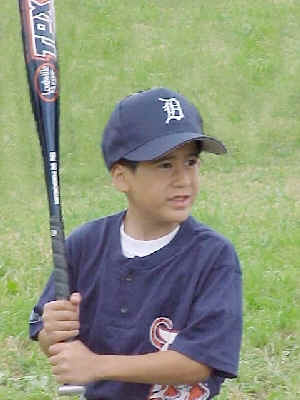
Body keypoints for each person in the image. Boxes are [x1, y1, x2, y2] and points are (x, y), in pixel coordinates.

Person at [29, 87, 243, 400]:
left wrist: (98, 366)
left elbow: (200, 361)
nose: (183, 179)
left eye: (192, 162)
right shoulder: (85, 246)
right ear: (121, 177)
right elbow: (51, 341)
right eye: (165, 165)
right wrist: (53, 331)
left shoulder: (213, 256)